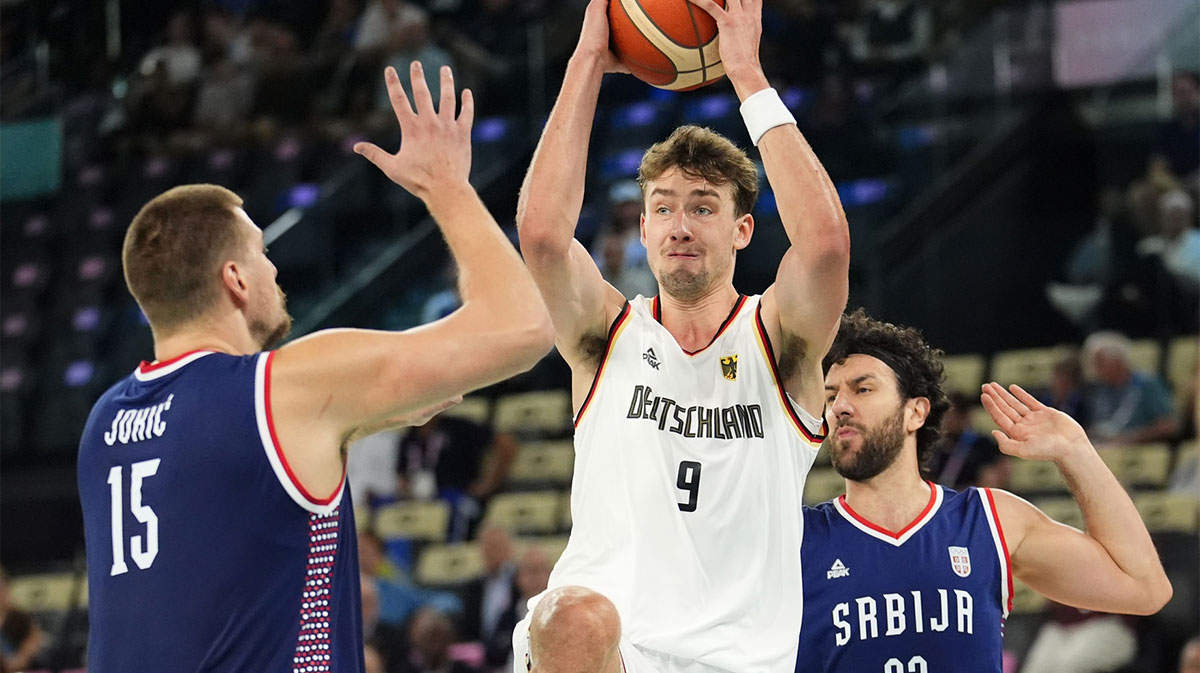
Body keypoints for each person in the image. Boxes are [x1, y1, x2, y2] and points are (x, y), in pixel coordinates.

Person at [76, 62, 553, 672]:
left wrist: (358, 419)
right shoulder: (284, 388)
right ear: (236, 279)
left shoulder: (103, 424)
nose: (275, 270)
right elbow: (521, 328)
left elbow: (232, 502)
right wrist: (446, 187)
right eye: (262, 252)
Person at [514, 0, 850, 670]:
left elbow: (826, 247)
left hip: (739, 658)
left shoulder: (779, 338)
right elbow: (545, 237)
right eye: (662, 207)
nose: (680, 225)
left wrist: (747, 76)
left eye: (703, 207)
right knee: (568, 615)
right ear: (641, 230)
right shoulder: (606, 334)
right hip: (613, 651)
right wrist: (587, 61)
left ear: (742, 229)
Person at [796, 310, 1172, 672]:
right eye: (830, 397)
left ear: (916, 412)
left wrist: (1076, 452)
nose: (840, 406)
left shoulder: (991, 520)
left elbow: (1144, 588)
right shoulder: (794, 536)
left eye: (862, 389)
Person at [1083, 330, 1179, 445]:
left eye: (1099, 363)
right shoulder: (1099, 390)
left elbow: (1168, 425)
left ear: (1117, 361)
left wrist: (1130, 438)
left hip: (1140, 450)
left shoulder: (1147, 384)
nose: (1094, 369)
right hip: (1106, 449)